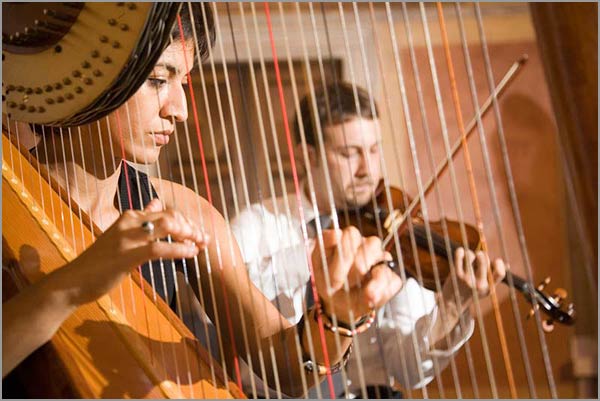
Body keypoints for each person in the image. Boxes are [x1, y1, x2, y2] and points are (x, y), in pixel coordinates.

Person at [2, 6, 403, 398]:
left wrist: (335, 318)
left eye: (184, 83)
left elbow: (283, 367)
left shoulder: (184, 212)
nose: (180, 110)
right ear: (94, 75)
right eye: (160, 79)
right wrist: (71, 287)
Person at [230, 82, 507, 398]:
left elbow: (408, 370)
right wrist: (314, 256)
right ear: (308, 156)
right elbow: (222, 299)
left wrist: (453, 306)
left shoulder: (392, 233)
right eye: (350, 154)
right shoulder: (257, 224)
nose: (368, 169)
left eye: (375, 150)